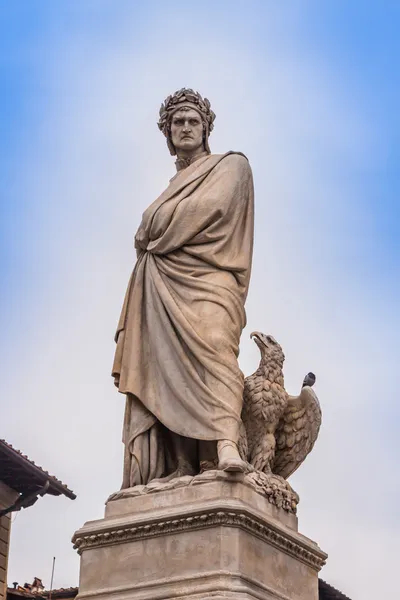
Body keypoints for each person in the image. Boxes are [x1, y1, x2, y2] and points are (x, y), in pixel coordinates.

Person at [112, 89, 254, 488]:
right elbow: (154, 224)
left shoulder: (231, 167)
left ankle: (225, 443)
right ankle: (179, 466)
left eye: (193, 121)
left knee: (215, 348)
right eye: (178, 123)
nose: (186, 128)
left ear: (206, 128)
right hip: (161, 284)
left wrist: (154, 225)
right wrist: (154, 224)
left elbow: (210, 209)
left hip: (211, 279)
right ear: (168, 133)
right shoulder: (172, 185)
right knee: (161, 367)